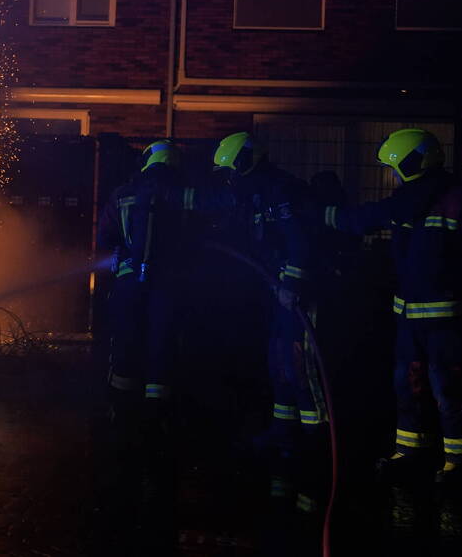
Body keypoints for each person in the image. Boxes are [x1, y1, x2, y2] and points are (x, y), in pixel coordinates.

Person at [323, 128, 462, 485]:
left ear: (408, 164)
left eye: (393, 167)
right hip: (411, 318)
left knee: (450, 389)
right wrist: (321, 213)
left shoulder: (460, 202)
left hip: (448, 320)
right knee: (408, 387)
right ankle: (410, 451)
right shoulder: (407, 201)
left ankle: (460, 461)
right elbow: (358, 220)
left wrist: (321, 214)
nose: (391, 175)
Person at [212, 132, 326, 515]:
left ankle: (316, 437)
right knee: (279, 362)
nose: (230, 179)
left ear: (245, 163)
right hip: (274, 289)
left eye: (232, 171)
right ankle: (285, 430)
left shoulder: (281, 191)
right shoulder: (257, 193)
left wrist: (292, 283)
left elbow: (301, 243)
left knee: (299, 363)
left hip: (296, 293)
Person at [97, 140, 194, 433]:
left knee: (126, 341)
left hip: (128, 285)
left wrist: (119, 255)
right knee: (161, 343)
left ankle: (121, 411)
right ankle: (157, 414)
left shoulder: (123, 193)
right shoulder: (183, 194)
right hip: (168, 285)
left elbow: (104, 239)